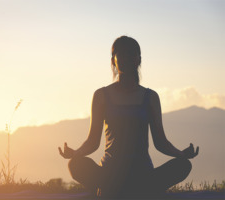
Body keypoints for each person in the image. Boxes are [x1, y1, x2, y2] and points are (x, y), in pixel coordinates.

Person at [58, 36, 199, 198]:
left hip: (143, 174)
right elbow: (93, 142)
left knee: (183, 165)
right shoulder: (101, 95)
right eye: (121, 54)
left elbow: (160, 142)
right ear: (113, 60)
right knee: (75, 164)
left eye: (131, 54)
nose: (126, 58)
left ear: (138, 59)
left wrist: (182, 155)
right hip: (109, 175)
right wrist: (75, 153)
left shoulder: (150, 97)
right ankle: (123, 189)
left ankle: (122, 190)